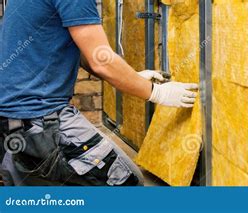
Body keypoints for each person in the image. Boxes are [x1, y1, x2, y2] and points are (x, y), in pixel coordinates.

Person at [0, 0, 198, 186]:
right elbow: (101, 61)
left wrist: (132, 77)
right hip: (41, 123)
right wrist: (158, 93)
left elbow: (82, 52)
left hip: (11, 122)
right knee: (127, 183)